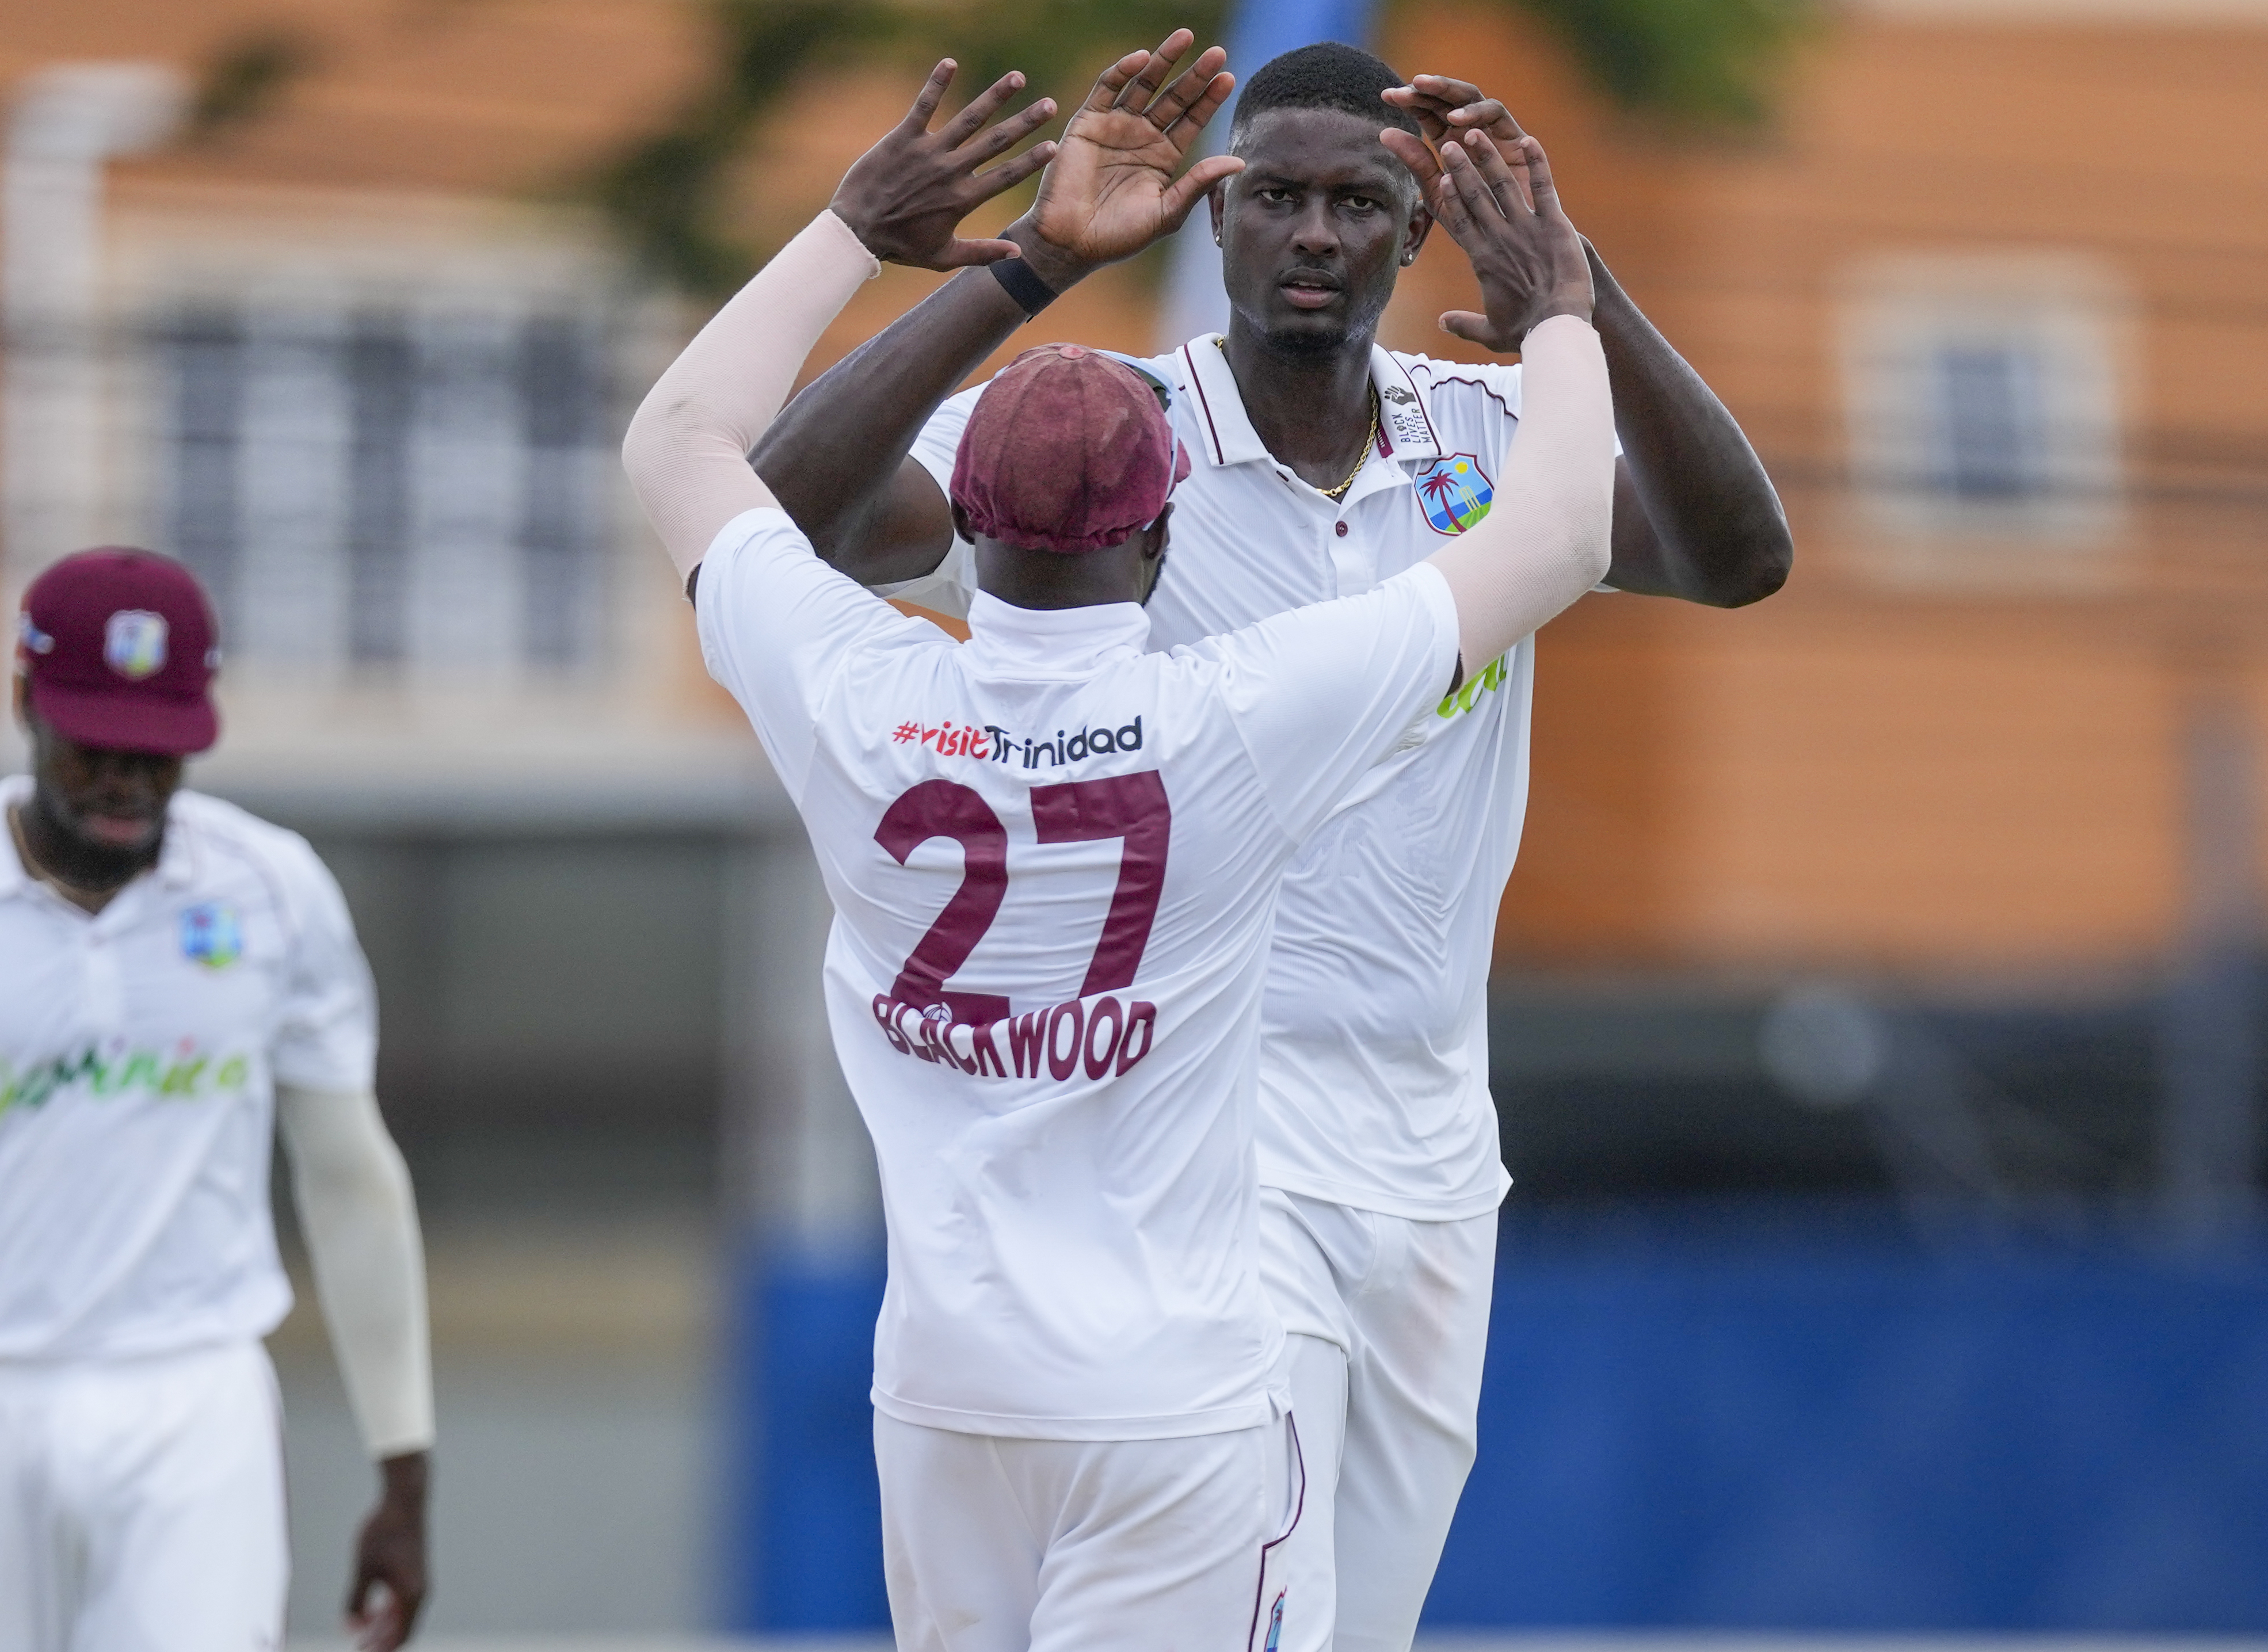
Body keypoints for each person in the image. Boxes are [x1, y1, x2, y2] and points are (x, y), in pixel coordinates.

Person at [752, 38, 1793, 1652]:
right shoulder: (1097, 443)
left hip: (1438, 1160)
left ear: (1411, 230)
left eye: (1359, 202)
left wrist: (1580, 295)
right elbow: (793, 520)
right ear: (1211, 221)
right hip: (1215, 1159)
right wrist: (1027, 263)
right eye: (1276, 197)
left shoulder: (1494, 429)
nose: (1314, 233)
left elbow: (1739, 559)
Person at [0, 549, 436, 1651]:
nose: (125, 782)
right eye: (94, 744)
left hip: (195, 1406)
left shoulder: (274, 892)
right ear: (22, 704)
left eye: (157, 752)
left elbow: (349, 1177)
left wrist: (406, 1470)